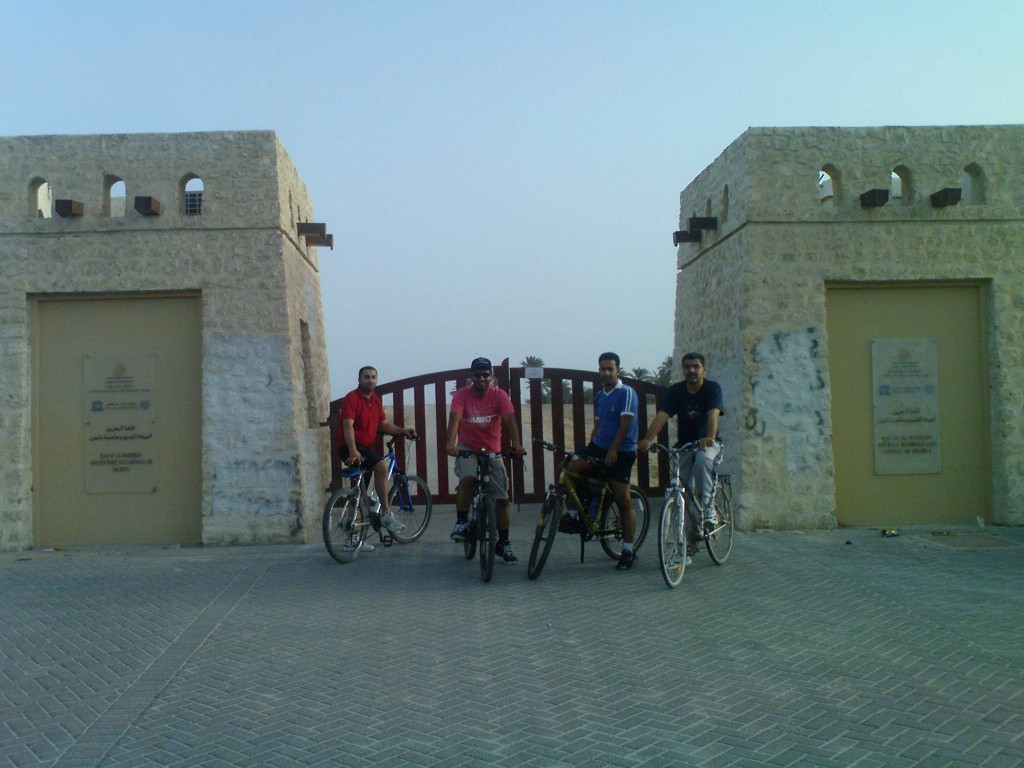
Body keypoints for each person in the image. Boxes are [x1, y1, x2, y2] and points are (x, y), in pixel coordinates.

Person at [445, 357, 526, 564]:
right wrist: (450, 444)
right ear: (470, 376)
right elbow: (454, 418)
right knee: (467, 479)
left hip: (492, 450)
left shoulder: (500, 395)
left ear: (491, 376)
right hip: (467, 449)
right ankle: (462, 521)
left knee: (501, 499)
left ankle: (504, 542)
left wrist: (516, 443)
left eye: (485, 374)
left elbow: (509, 419)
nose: (481, 378)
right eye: (477, 374)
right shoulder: (462, 395)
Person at [569, 352, 640, 571]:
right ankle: (575, 515)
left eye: (610, 369)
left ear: (618, 370)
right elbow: (598, 425)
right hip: (600, 447)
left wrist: (613, 450)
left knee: (622, 499)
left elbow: (624, 424)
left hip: (622, 450)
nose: (606, 373)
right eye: (603, 369)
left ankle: (628, 550)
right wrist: (590, 446)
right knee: (570, 466)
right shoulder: (600, 395)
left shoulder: (627, 393)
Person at [638, 352, 724, 531]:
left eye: (695, 367)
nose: (691, 370)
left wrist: (710, 437)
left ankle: (708, 506)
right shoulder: (676, 391)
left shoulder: (712, 388)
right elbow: (661, 416)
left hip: (708, 444)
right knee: (680, 487)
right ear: (683, 370)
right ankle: (687, 540)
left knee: (703, 460)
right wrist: (647, 440)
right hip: (684, 446)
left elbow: (713, 413)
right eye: (687, 367)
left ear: (704, 369)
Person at [338, 366, 417, 545]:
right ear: (359, 380)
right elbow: (347, 425)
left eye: (373, 377)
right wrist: (353, 450)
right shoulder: (352, 398)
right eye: (366, 377)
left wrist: (403, 430)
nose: (370, 380)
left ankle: (353, 539)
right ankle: (386, 514)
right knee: (381, 465)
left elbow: (384, 425)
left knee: (358, 493)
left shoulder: (375, 400)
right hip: (351, 447)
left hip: (364, 449)